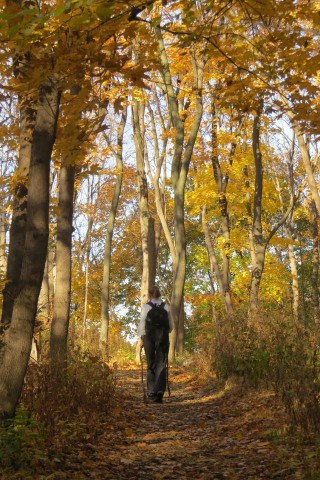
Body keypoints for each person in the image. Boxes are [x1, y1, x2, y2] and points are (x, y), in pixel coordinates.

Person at [138, 286, 174, 403]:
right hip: (162, 337)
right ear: (159, 294)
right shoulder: (166, 307)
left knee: (151, 362)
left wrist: (141, 338)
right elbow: (171, 327)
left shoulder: (146, 307)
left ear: (149, 295)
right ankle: (160, 391)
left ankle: (151, 390)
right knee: (161, 363)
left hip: (149, 337)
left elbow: (142, 323)